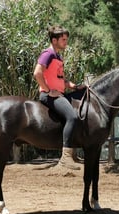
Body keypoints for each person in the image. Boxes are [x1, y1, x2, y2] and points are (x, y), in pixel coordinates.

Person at [33, 25, 86, 170]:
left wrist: (75, 87)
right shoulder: (48, 54)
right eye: (63, 39)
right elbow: (37, 73)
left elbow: (61, 80)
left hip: (60, 93)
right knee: (72, 117)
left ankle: (73, 153)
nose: (66, 42)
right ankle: (66, 158)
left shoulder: (57, 56)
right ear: (54, 40)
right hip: (49, 95)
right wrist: (48, 90)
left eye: (66, 39)